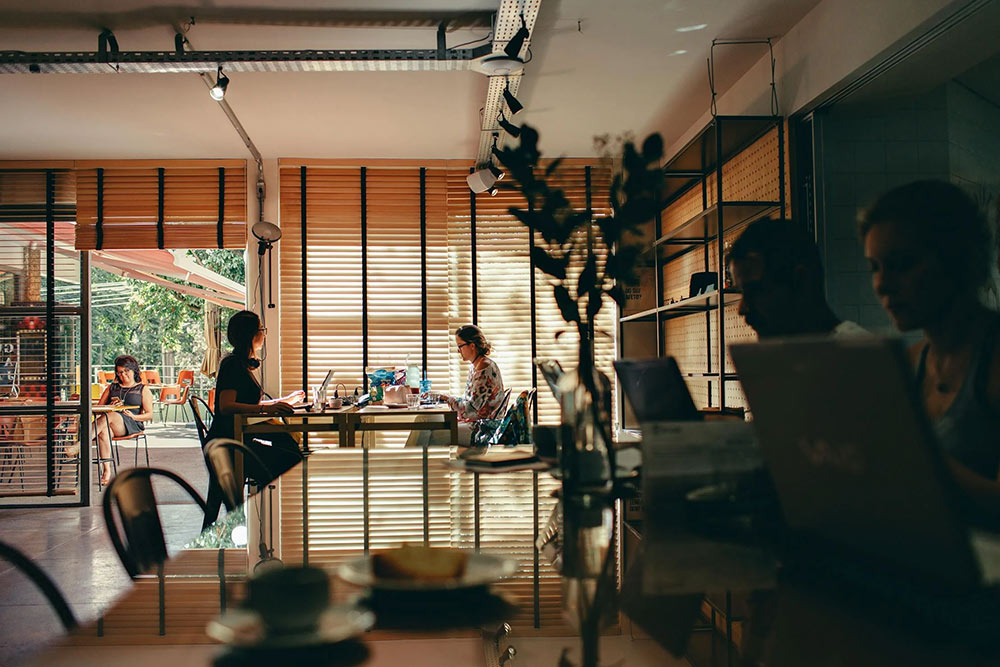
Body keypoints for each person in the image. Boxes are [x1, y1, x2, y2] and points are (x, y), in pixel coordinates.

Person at [860, 180, 1000, 518]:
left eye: (903, 263)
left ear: (959, 260)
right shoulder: (907, 365)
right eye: (875, 267)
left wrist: (911, 452)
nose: (882, 283)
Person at [203, 310, 304, 525]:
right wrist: (268, 410)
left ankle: (272, 517)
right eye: (261, 330)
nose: (264, 334)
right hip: (229, 448)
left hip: (235, 443)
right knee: (292, 459)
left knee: (289, 450)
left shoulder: (240, 364)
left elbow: (250, 405)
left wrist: (283, 401)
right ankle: (276, 519)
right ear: (251, 335)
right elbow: (227, 406)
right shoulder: (231, 365)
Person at [727, 218, 867, 339]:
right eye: (741, 293)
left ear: (801, 281)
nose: (742, 309)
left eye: (754, 291)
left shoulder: (859, 359)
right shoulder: (794, 360)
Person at [406, 324, 505, 447]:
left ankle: (408, 463)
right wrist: (444, 396)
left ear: (472, 346)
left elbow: (469, 411)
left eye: (460, 346)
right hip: (474, 422)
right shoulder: (475, 366)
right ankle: (407, 462)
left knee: (433, 436)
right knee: (424, 419)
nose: (458, 351)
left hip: (483, 429)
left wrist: (447, 398)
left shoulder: (484, 368)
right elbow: (470, 403)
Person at [91, 355, 155, 485]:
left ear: (134, 371)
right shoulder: (112, 388)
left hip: (132, 423)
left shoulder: (142, 389)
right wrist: (110, 406)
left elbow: (149, 415)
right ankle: (107, 470)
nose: (123, 375)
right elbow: (97, 409)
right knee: (104, 431)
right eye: (120, 372)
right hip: (111, 424)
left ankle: (82, 444)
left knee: (111, 416)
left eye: (126, 371)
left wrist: (133, 416)